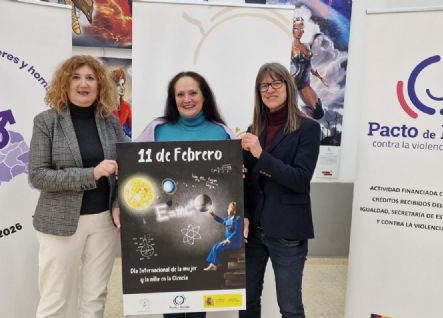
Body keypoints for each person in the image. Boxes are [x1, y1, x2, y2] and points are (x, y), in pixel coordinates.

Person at [29, 55, 125, 318]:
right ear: (64, 83)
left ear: (100, 85)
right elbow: (38, 176)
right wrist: (91, 174)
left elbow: (124, 171)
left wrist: (118, 204)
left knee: (95, 297)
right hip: (60, 223)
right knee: (55, 298)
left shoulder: (111, 123)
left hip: (103, 222)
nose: (84, 84)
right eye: (76, 77)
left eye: (90, 78)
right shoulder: (46, 121)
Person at [136, 71, 236, 318]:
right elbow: (133, 170)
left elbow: (231, 180)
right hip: (165, 227)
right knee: (169, 307)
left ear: (204, 97)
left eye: (193, 93)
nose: (187, 99)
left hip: (202, 231)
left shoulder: (221, 133)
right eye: (180, 94)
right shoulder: (157, 130)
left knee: (196, 306)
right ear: (173, 99)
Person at [239, 62, 321, 318]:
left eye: (276, 83)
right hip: (253, 231)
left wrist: (260, 155)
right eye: (264, 85)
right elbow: (252, 179)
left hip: (287, 231)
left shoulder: (308, 128)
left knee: (289, 306)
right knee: (247, 300)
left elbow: (299, 179)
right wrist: (238, 171)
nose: (270, 89)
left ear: (288, 86)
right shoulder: (255, 130)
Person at [291, 17, 326, 120]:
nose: (299, 32)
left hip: (306, 82)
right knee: (294, 110)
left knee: (319, 111)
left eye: (301, 29)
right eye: (296, 29)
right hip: (296, 82)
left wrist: (319, 76)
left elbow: (309, 64)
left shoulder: (306, 45)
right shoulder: (289, 46)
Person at [204, 201, 243, 271]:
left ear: (234, 210)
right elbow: (220, 220)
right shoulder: (227, 219)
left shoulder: (237, 219)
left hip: (236, 242)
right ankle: (213, 265)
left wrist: (228, 240)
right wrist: (213, 214)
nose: (227, 210)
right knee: (215, 246)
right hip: (229, 241)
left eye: (229, 208)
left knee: (219, 247)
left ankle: (214, 264)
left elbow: (236, 232)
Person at [110, 67, 132, 138]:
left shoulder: (126, 106)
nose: (122, 88)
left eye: (123, 84)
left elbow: (132, 127)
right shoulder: (105, 106)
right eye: (118, 85)